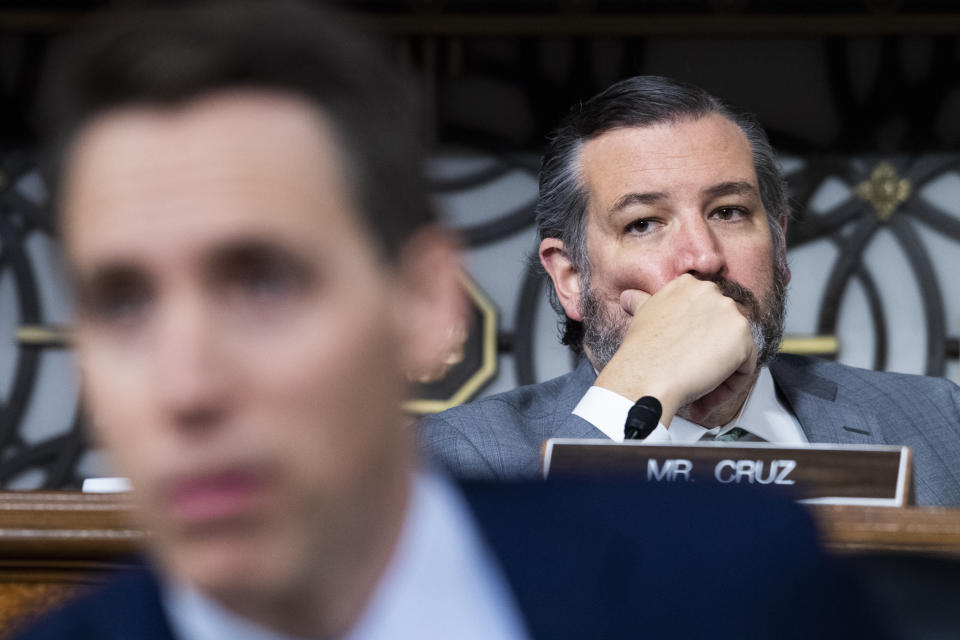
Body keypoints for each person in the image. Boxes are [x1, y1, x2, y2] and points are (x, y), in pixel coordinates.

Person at [15, 4, 871, 640]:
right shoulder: (470, 449)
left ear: (425, 301)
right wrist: (632, 394)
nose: (186, 386)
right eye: (122, 301)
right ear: (566, 278)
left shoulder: (762, 569)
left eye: (263, 284)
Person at [418, 75, 960, 507]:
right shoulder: (461, 458)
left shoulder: (940, 419)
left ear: (779, 246)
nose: (703, 257)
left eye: (729, 212)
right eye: (644, 223)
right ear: (571, 278)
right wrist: (630, 398)